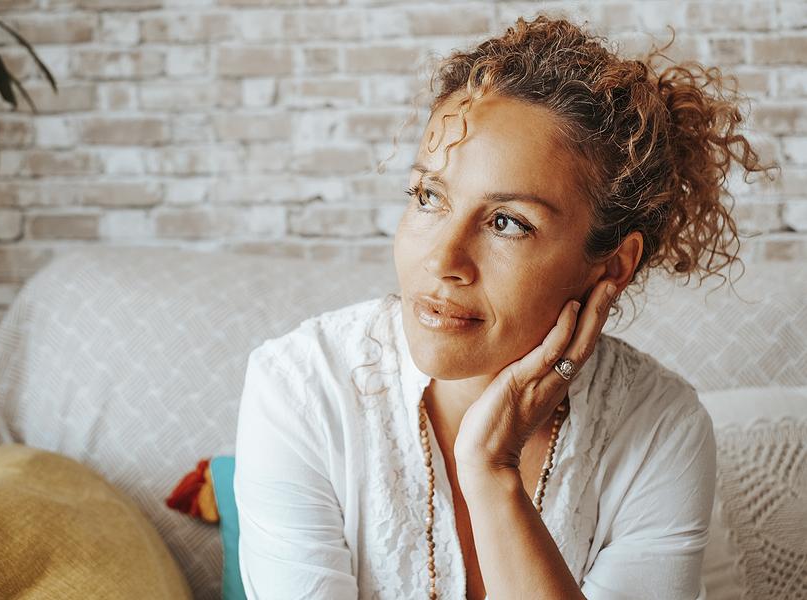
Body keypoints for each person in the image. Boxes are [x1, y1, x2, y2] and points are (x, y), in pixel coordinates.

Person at [233, 14, 773, 600]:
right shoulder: (301, 386)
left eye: (507, 222)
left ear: (613, 264)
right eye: (429, 196)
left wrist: (491, 472)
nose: (444, 259)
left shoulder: (658, 426)